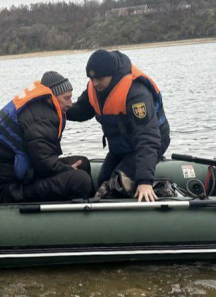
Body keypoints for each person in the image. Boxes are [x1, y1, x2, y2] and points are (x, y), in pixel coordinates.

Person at [67, 49, 170, 202]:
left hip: (149, 143)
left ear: (111, 74)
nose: (94, 83)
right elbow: (81, 111)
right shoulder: (95, 87)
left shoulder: (136, 93)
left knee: (115, 185)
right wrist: (58, 108)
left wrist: (144, 181)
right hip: (122, 146)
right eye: (91, 78)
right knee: (103, 179)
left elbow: (148, 138)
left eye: (99, 79)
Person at [0, 71, 92, 203]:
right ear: (50, 97)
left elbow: (44, 162)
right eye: (66, 98)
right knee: (81, 180)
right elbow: (46, 165)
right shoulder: (41, 117)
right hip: (10, 190)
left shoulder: (43, 108)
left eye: (71, 98)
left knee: (83, 163)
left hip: (27, 174)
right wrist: (69, 170)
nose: (70, 104)